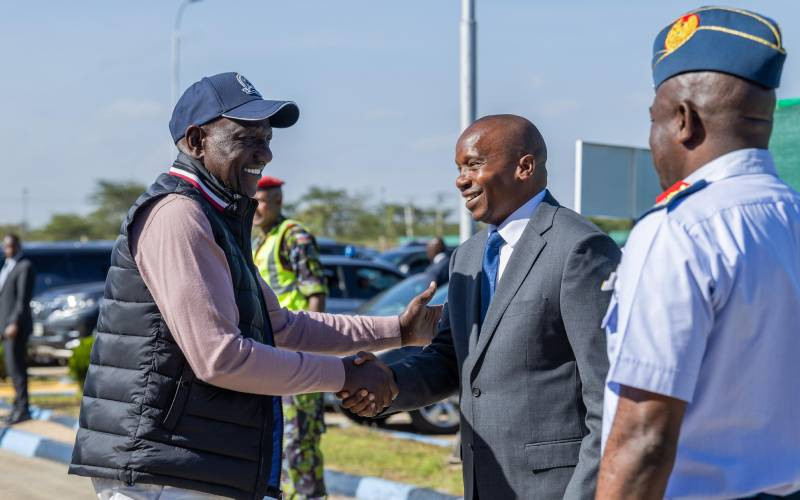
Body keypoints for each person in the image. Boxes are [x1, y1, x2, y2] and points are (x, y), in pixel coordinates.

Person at [68, 72, 441, 500]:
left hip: (192, 464)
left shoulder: (217, 216)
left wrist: (399, 331)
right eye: (247, 138)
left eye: (267, 138)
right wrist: (342, 376)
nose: (264, 154)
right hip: (165, 471)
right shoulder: (178, 216)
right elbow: (221, 358)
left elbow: (281, 327)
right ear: (196, 141)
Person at [342, 114, 621, 499]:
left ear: (525, 166)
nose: (461, 180)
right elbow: (448, 358)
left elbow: (608, 396)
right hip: (482, 482)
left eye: (474, 164)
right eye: (458, 169)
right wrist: (388, 384)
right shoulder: (467, 257)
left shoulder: (578, 248)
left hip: (554, 488)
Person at [596, 7, 800, 499]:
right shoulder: (791, 216)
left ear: (683, 120)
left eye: (654, 122)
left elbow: (644, 436)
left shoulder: (680, 230)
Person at [252, 175, 329, 500]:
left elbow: (316, 294)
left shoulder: (294, 237)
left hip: (298, 359)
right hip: (272, 359)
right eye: (252, 200)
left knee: (300, 444)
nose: (256, 208)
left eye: (262, 200)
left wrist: (309, 353)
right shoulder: (260, 240)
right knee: (278, 445)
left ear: (278, 201)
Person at [0, 234, 35, 425]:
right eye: (5, 246)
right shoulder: (7, 265)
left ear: (18, 246)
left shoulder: (24, 266)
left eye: (11, 246)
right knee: (11, 368)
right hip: (3, 326)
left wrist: (14, 322)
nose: (8, 249)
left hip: (16, 328)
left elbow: (22, 300)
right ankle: (16, 407)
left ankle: (23, 409)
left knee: (17, 369)